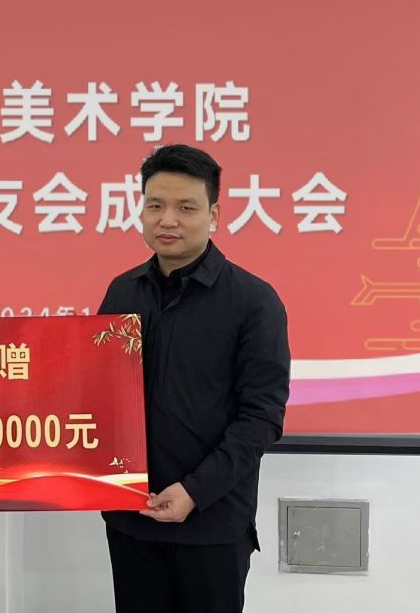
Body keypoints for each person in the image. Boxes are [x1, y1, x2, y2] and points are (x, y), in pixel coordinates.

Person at [98, 144, 290, 613]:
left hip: (212, 523)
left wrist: (195, 491)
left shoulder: (254, 301)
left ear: (214, 215)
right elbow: (99, 394)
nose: (168, 220)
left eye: (186, 208)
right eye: (155, 206)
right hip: (132, 518)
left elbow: (262, 417)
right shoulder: (122, 292)